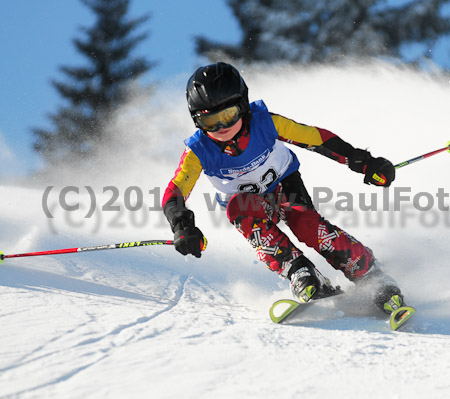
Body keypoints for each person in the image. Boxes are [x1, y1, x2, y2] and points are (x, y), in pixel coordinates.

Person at [162, 62, 405, 313]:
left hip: (284, 185)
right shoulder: (199, 150)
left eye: (228, 116)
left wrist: (362, 161)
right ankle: (298, 270)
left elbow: (315, 138)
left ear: (243, 107)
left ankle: (367, 273)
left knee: (306, 224)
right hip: (247, 204)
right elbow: (175, 190)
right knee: (239, 208)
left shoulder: (264, 123)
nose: (221, 128)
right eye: (210, 120)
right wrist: (182, 225)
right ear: (197, 120)